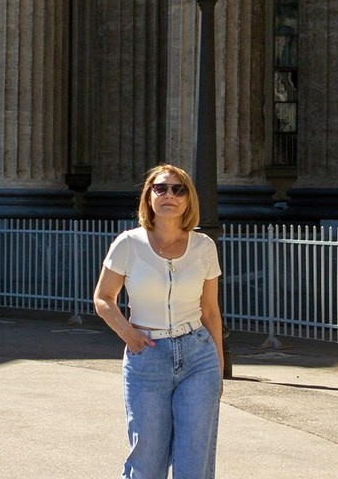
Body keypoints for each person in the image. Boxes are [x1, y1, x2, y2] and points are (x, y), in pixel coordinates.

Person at [92, 163, 224, 479]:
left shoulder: (204, 246)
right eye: (160, 188)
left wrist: (218, 362)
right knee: (147, 461)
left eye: (178, 189)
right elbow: (103, 298)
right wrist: (130, 335)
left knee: (194, 460)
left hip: (198, 358)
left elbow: (210, 310)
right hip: (147, 355)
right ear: (149, 197)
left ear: (188, 199)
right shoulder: (128, 243)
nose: (169, 195)